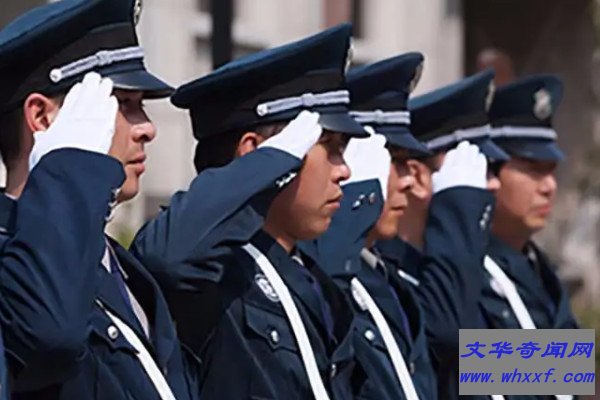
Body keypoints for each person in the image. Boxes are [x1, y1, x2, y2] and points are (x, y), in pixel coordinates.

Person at [132, 24, 370, 400]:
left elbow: (455, 353)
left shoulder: (366, 279)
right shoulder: (217, 271)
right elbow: (165, 259)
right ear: (258, 155)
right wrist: (266, 167)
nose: (349, 171)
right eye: (329, 146)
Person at [0, 0, 199, 398]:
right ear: (42, 118)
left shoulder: (118, 265)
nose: (147, 128)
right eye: (122, 103)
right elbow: (51, 334)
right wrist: (67, 166)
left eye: (141, 105)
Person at [299, 52, 438, 399]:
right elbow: (452, 342)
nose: (409, 180)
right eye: (397, 162)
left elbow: (540, 370)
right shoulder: (334, 270)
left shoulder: (392, 275)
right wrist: (460, 220)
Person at [376, 70, 509, 399]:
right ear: (420, 178)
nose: (494, 183)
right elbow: (447, 337)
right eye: (479, 168)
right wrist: (459, 208)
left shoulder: (471, 262)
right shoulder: (392, 276)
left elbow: (492, 365)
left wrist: (578, 367)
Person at [485, 75, 578, 333]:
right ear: (489, 172)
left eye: (551, 170)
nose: (549, 186)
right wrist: (575, 356)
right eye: (533, 169)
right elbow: (469, 356)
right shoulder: (464, 273)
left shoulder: (538, 266)